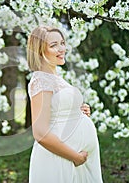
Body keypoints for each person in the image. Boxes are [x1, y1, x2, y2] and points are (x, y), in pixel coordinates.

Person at [27, 26, 103, 182]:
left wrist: (77, 111)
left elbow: (57, 110)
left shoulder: (54, 77)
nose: (61, 49)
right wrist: (75, 157)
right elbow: (40, 132)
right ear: (39, 50)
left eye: (62, 43)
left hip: (73, 159)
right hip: (60, 159)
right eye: (53, 45)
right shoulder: (41, 80)